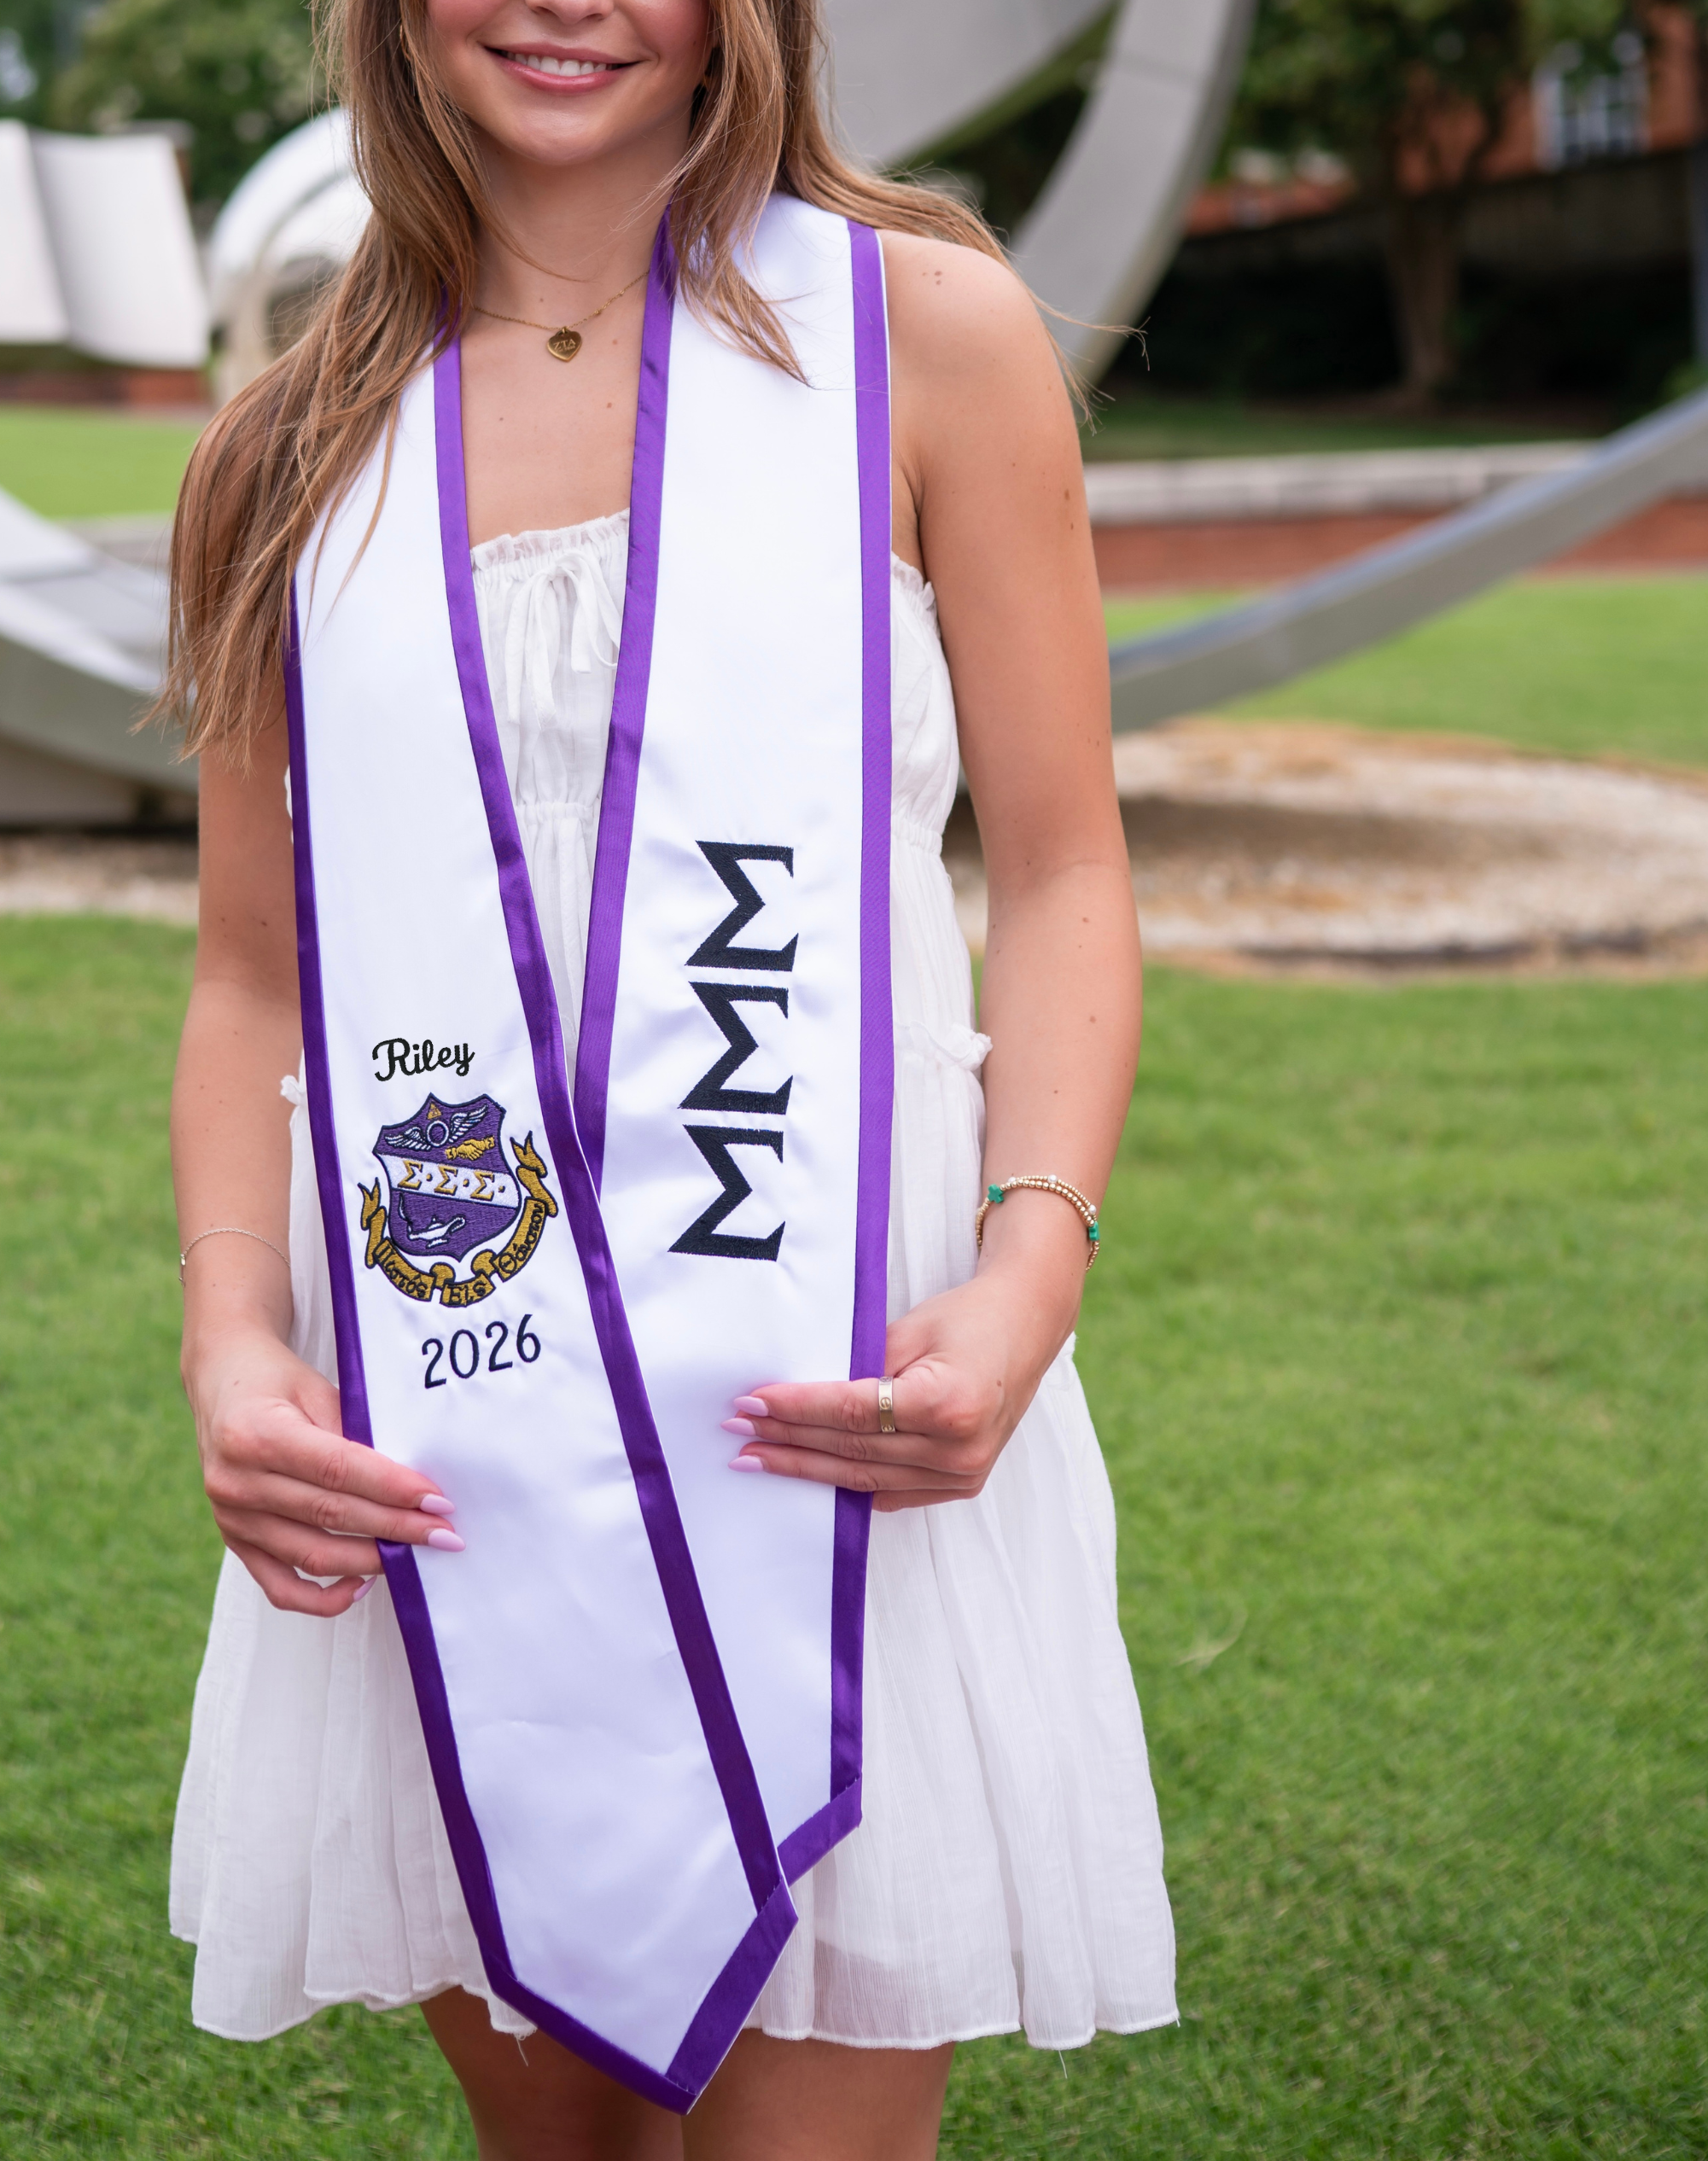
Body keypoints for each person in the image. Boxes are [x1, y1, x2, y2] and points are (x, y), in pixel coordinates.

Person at [161, 1, 1174, 2153]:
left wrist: (1028, 1278)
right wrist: (234, 1343)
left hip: (836, 1414)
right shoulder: (287, 451)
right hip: (460, 1430)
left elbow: (1070, 867)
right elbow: (257, 977)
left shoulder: (921, 336)